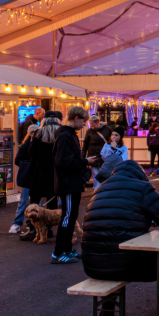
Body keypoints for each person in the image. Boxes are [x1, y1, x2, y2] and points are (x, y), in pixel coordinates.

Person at [82, 159, 159, 316]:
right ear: (140, 175)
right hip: (130, 264)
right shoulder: (141, 188)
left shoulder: (99, 190)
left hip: (92, 265)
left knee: (112, 251)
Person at [51, 106, 94, 264]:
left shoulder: (68, 135)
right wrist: (85, 162)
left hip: (71, 182)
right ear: (76, 118)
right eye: (83, 121)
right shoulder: (65, 136)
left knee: (71, 216)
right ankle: (58, 252)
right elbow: (63, 162)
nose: (84, 124)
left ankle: (67, 249)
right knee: (68, 216)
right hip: (68, 183)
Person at [21, 111, 61, 241]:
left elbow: (31, 152)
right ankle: (49, 229)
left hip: (39, 172)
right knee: (52, 201)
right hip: (54, 172)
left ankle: (34, 230)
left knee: (35, 200)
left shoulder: (39, 133)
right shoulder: (60, 133)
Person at [10, 124, 38, 234]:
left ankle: (31, 223)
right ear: (31, 134)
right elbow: (17, 160)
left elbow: (18, 160)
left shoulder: (35, 145)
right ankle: (17, 222)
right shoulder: (25, 146)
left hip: (33, 175)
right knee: (24, 200)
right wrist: (28, 164)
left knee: (34, 201)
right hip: (28, 176)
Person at [82, 115, 111, 188]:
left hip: (105, 156)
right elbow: (85, 145)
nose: (91, 125)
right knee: (95, 174)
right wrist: (83, 157)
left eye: (92, 123)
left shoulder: (107, 129)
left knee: (104, 173)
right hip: (93, 156)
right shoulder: (89, 131)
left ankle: (103, 190)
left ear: (97, 122)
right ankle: (96, 190)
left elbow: (112, 141)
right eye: (90, 123)